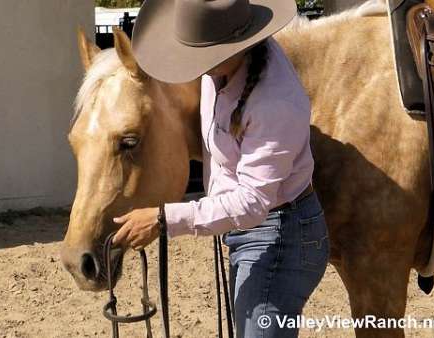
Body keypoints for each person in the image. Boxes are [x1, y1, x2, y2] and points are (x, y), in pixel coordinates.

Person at [111, 0, 329, 337]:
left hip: (280, 235)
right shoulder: (227, 68)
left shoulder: (275, 102)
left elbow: (253, 202)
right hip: (257, 228)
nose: (195, 67)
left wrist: (162, 218)